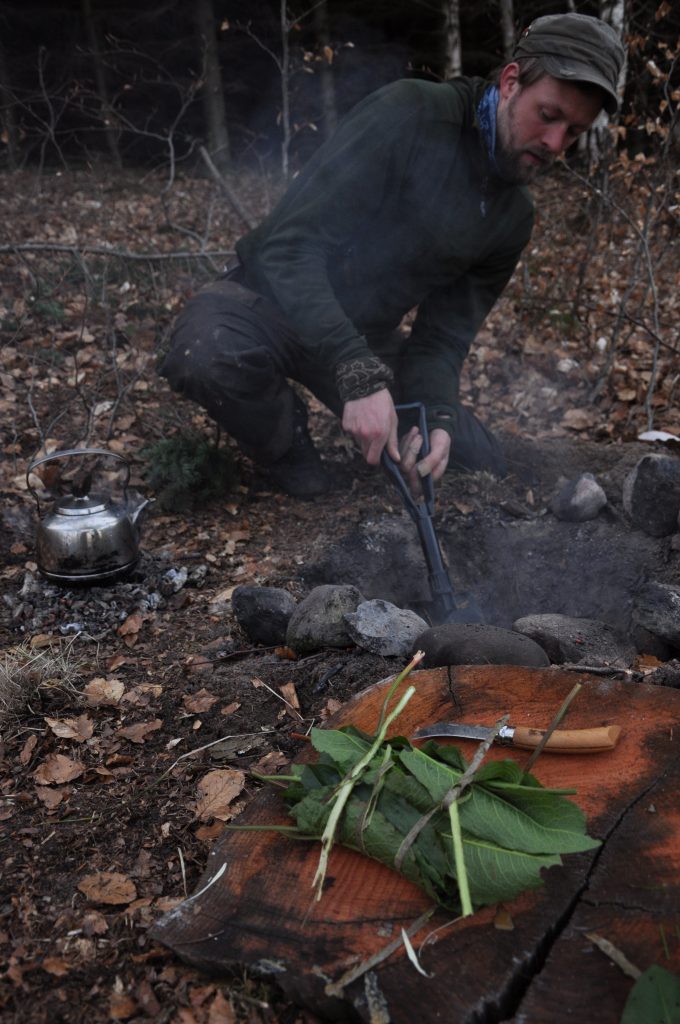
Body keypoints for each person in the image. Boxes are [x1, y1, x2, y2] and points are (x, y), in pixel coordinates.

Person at [160, 13, 625, 498]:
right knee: (207, 351)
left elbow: (442, 337)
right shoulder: (410, 114)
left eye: (573, 132)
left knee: (467, 456)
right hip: (268, 304)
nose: (555, 144)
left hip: (364, 335)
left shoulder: (512, 216)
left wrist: (438, 417)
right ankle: (286, 448)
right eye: (548, 116)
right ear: (511, 82)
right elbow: (289, 247)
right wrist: (358, 375)